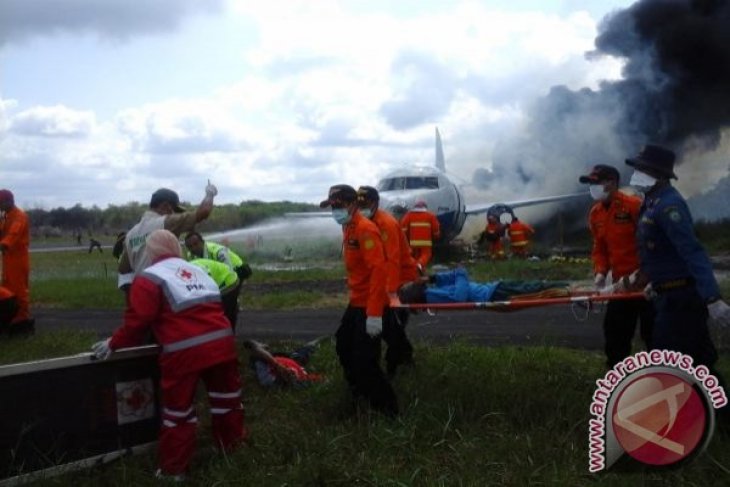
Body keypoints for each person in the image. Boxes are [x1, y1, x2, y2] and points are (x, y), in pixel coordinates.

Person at [91, 229, 246, 481]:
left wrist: (115, 343)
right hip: (222, 346)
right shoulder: (200, 271)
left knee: (178, 414)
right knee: (227, 402)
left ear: (151, 252)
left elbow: (138, 322)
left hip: (184, 354)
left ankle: (174, 471)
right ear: (177, 248)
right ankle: (232, 451)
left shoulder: (149, 278)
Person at [626, 144, 730, 374]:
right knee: (696, 364)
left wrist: (712, 297)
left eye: (643, 170)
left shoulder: (668, 206)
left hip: (681, 300)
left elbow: (692, 251)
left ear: (660, 175)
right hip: (669, 294)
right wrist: (655, 281)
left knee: (674, 363)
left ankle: (702, 408)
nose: (636, 174)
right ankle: (716, 408)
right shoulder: (651, 203)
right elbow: (662, 253)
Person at [320, 184, 398, 417]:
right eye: (331, 206)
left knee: (365, 359)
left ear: (352, 204)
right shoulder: (348, 226)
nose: (334, 210)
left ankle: (387, 409)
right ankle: (359, 393)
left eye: (338, 205)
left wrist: (374, 314)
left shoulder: (365, 229)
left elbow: (379, 270)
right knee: (343, 345)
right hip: (356, 301)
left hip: (370, 304)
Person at [579, 164, 654, 368]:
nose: (592, 187)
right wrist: (600, 273)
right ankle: (618, 380)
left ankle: (663, 380)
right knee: (615, 336)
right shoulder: (595, 213)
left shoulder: (634, 206)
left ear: (611, 182)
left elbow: (652, 242)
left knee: (655, 337)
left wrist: (648, 273)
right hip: (621, 286)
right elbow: (599, 248)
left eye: (595, 183)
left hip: (646, 282)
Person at [357, 185, 418, 378]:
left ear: (375, 203)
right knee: (390, 327)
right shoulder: (363, 223)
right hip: (383, 280)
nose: (361, 208)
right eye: (359, 205)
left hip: (401, 280)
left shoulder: (387, 224)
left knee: (392, 325)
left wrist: (391, 293)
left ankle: (396, 364)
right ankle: (403, 359)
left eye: (365, 204)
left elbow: (392, 261)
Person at [117, 182, 218, 290]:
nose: (174, 214)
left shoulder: (131, 234)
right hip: (164, 289)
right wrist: (210, 193)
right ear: (165, 206)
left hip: (142, 291)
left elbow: (123, 269)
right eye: (174, 210)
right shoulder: (166, 222)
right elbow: (204, 212)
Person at [397, 267, 569, 304]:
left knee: (532, 285)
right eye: (409, 285)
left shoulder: (430, 291)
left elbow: (453, 281)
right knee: (533, 289)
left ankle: (568, 286)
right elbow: (459, 297)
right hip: (494, 294)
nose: (413, 282)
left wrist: (434, 277)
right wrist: (460, 274)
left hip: (493, 288)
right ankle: (568, 288)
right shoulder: (431, 296)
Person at [0, 189, 34, 335]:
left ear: (9, 201)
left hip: (18, 259)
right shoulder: (6, 216)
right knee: (8, 289)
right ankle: (11, 319)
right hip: (8, 258)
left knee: (19, 291)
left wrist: (4, 244)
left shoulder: (20, 216)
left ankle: (22, 321)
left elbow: (13, 235)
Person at [243, 339, 324, 387]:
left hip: (274, 359)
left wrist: (277, 366)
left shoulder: (267, 378)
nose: (291, 374)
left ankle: (263, 347)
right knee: (307, 349)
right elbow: (320, 379)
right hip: (292, 359)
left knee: (251, 347)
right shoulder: (302, 376)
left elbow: (254, 348)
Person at [189, 257, 240, 330]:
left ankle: (224, 332)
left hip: (228, 279)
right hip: (224, 277)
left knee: (221, 310)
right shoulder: (189, 267)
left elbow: (208, 286)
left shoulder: (195, 269)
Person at [400, 200, 441, 268]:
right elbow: (436, 228)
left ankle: (415, 270)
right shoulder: (430, 215)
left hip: (413, 242)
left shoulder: (409, 215)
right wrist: (436, 236)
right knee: (426, 255)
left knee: (415, 257)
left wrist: (405, 239)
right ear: (425, 207)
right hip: (425, 242)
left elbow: (403, 228)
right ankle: (419, 265)